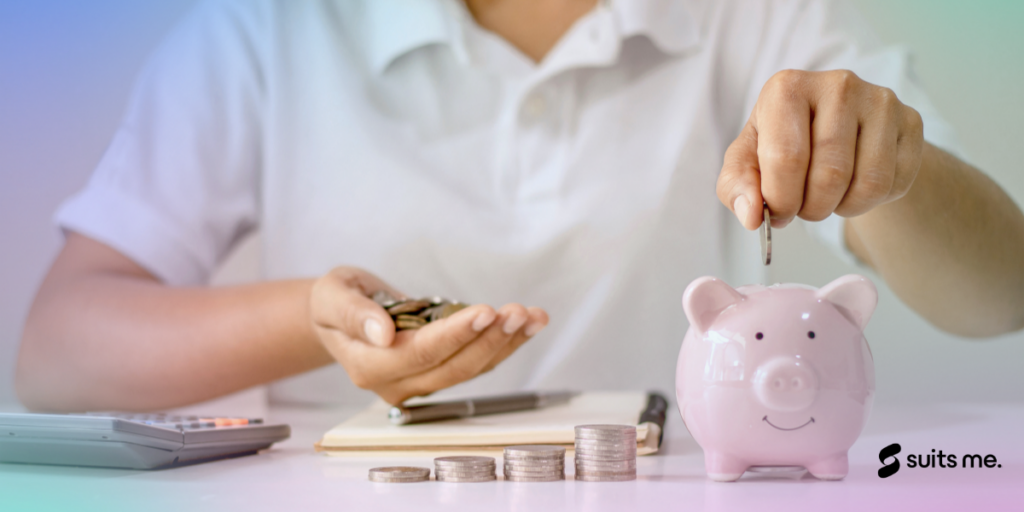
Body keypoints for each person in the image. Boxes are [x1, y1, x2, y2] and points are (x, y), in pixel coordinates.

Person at [15, 0, 1024, 412]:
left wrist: (897, 172)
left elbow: (998, 295)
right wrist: (315, 322)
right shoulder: (265, 26)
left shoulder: (753, 14)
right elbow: (58, 351)